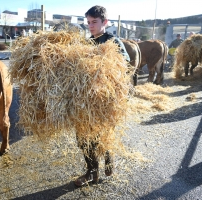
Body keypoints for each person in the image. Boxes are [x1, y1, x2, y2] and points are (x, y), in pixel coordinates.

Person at [74, 5, 130, 187]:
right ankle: (92, 171)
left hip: (105, 101)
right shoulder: (87, 43)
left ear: (105, 22)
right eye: (88, 22)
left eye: (94, 22)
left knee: (103, 134)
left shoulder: (112, 42)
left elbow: (126, 63)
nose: (90, 26)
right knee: (84, 137)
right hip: (86, 101)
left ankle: (109, 158)